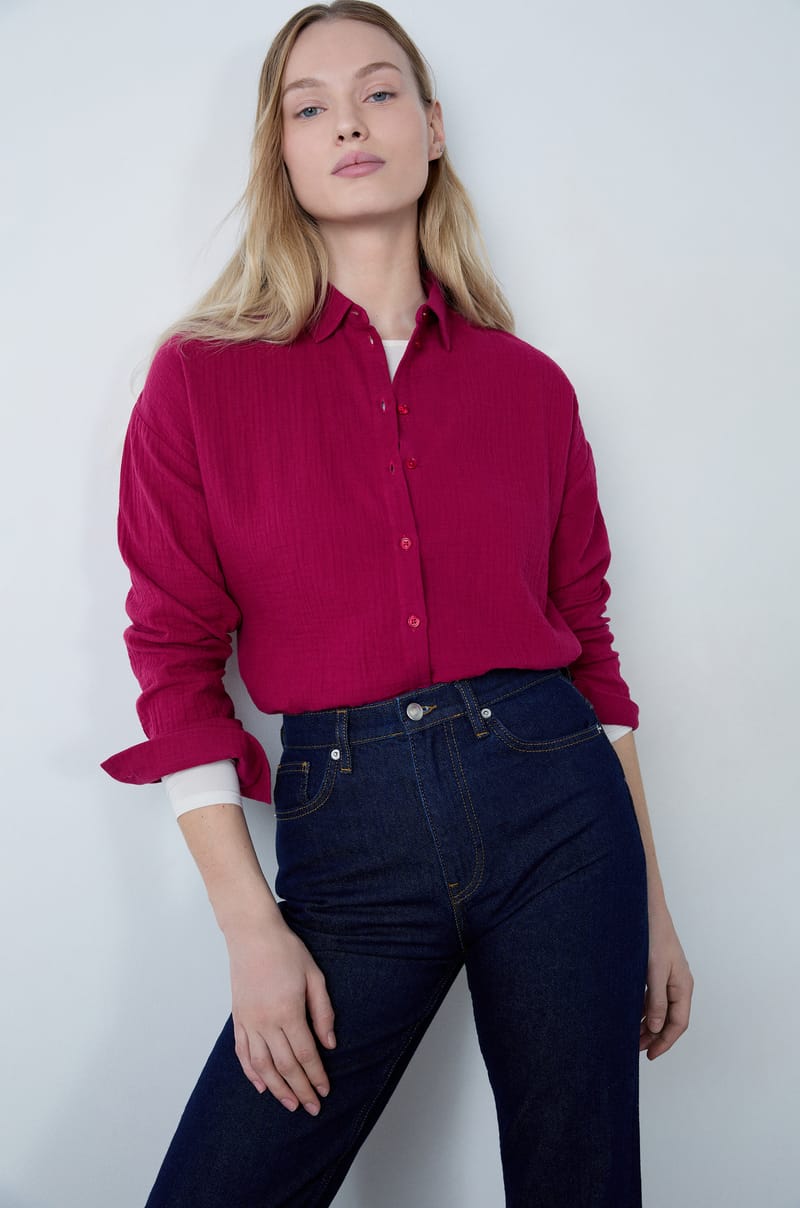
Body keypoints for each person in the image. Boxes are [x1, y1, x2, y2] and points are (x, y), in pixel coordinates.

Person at [102, 2, 694, 1204]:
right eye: (308, 106)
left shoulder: (529, 388)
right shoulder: (197, 381)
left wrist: (649, 902)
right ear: (279, 151)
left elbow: (590, 654)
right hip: (349, 832)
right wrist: (250, 929)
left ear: (430, 127)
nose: (347, 123)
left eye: (377, 93)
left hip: (559, 811)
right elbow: (172, 658)